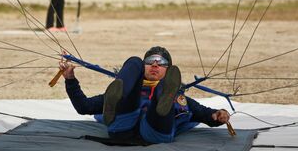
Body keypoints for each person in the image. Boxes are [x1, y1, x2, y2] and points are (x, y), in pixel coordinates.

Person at [60, 46, 230, 144]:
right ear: (144, 67)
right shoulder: (119, 91)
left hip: (155, 132)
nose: (155, 64)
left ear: (168, 70)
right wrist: (70, 79)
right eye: (149, 61)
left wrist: (219, 114)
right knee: (134, 61)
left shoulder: (181, 99)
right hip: (122, 127)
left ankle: (162, 99)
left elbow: (208, 115)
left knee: (163, 93)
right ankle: (126, 91)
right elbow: (84, 107)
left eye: (161, 63)